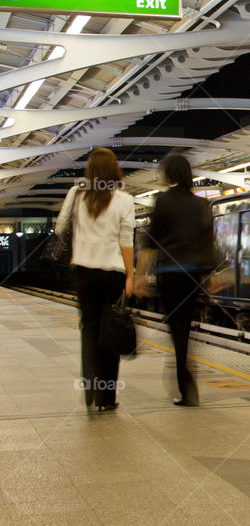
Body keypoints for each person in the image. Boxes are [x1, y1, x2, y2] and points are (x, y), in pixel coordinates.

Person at [55, 148, 135, 412]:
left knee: (88, 329)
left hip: (84, 271)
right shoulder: (124, 199)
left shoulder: (76, 194)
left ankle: (90, 384)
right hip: (112, 273)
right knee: (109, 331)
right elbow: (126, 241)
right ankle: (107, 398)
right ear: (114, 170)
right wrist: (130, 276)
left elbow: (59, 229)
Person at [136, 154, 215, 406]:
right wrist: (213, 274)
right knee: (185, 329)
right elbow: (208, 243)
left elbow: (150, 243)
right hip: (192, 275)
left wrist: (139, 276)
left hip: (169, 275)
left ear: (170, 174)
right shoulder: (201, 205)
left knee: (178, 331)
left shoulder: (163, 202)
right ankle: (186, 383)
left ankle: (186, 388)